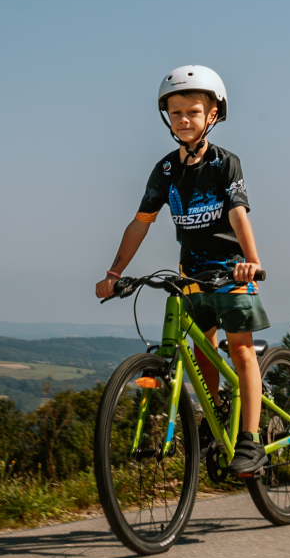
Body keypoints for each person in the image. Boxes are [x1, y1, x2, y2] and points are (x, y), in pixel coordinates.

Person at [97, 64, 269, 477]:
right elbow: (141, 221)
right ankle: (211, 427)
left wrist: (253, 261)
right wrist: (115, 273)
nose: (184, 120)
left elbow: (238, 213)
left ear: (213, 115)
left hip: (231, 272)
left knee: (241, 348)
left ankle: (251, 440)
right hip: (190, 273)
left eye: (193, 112)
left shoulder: (225, 163)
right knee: (200, 351)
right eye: (176, 114)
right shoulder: (166, 171)